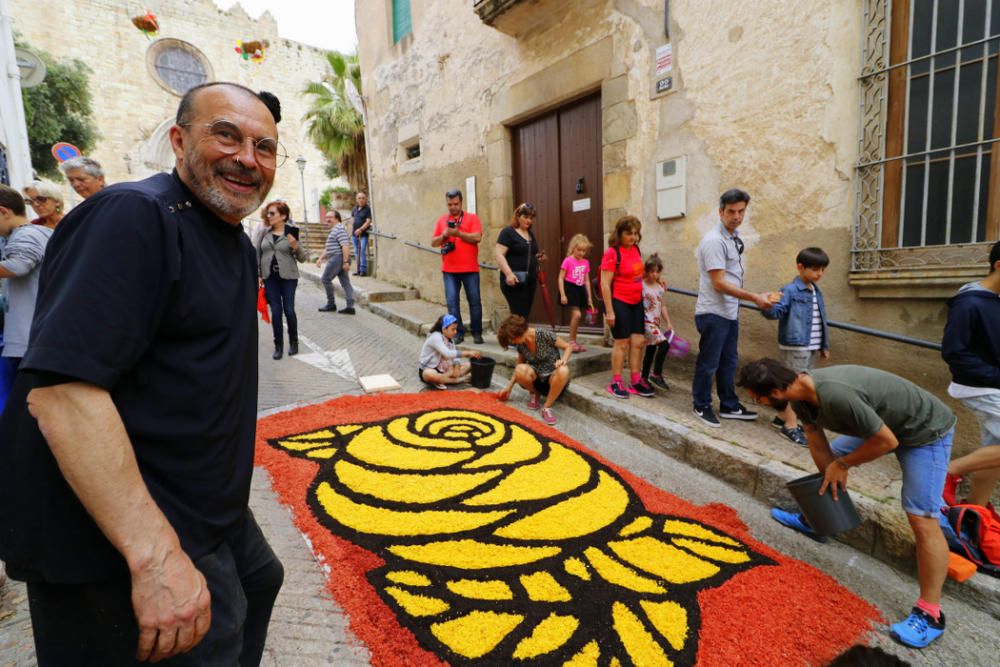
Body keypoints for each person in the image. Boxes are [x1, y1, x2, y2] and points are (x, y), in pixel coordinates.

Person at [0, 81, 286, 665]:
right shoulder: (134, 215)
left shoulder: (229, 238)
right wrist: (154, 558)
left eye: (265, 146)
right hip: (115, 534)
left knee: (259, 582)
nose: (246, 159)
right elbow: (62, 393)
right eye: (225, 135)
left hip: (203, 509)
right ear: (179, 141)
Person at [738, 359, 956, 649]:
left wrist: (842, 465)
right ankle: (819, 521)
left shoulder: (835, 395)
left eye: (757, 398)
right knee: (831, 459)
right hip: (884, 423)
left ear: (775, 393)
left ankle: (931, 614)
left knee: (921, 516)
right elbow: (816, 442)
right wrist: (832, 471)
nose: (757, 402)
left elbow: (887, 442)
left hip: (924, 432)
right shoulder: (801, 396)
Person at [692, 189, 776, 427]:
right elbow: (719, 283)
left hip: (729, 312)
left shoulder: (732, 237)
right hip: (713, 313)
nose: (737, 216)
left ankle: (729, 404)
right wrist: (755, 298)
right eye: (731, 211)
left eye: (741, 211)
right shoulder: (713, 241)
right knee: (709, 362)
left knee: (729, 361)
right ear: (721, 212)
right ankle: (701, 404)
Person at [941, 239, 1000, 507]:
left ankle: (975, 510)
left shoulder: (994, 301)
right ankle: (947, 471)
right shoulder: (968, 302)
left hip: (992, 384)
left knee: (993, 452)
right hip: (979, 386)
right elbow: (954, 352)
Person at [759, 247, 831, 446]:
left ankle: (781, 418)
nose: (820, 274)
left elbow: (821, 319)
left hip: (810, 347)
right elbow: (777, 312)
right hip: (795, 346)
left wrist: (824, 345)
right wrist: (766, 305)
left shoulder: (816, 291)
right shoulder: (790, 290)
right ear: (801, 267)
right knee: (794, 386)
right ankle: (789, 426)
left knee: (801, 384)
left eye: (823, 270)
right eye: (816, 269)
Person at [0, 185, 53, 413]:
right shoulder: (39, 233)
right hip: (33, 340)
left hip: (27, 343)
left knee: (27, 412)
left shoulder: (27, 234)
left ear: (3, 211)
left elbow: (18, 266)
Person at [600, 215, 653, 399]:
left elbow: (638, 275)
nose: (634, 237)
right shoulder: (612, 253)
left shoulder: (636, 249)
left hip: (637, 302)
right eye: (629, 234)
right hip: (619, 301)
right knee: (621, 343)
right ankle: (616, 381)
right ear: (619, 234)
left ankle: (636, 381)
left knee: (638, 343)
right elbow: (605, 284)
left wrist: (655, 281)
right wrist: (610, 311)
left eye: (636, 234)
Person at [496, 314, 572, 426]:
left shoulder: (543, 334)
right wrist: (509, 388)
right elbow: (519, 367)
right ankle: (535, 394)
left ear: (519, 331)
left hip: (552, 380)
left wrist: (563, 360)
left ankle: (546, 407)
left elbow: (568, 346)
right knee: (520, 369)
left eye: (512, 339)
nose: (513, 342)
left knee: (564, 370)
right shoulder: (520, 344)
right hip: (536, 380)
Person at [431, 188, 483, 345]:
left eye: (456, 204)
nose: (453, 207)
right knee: (452, 303)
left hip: (470, 269)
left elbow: (477, 237)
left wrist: (458, 233)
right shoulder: (441, 221)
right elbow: (433, 242)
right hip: (449, 270)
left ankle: (476, 332)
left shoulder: (472, 218)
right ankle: (458, 332)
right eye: (450, 204)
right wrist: (444, 235)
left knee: (474, 301)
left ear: (461, 202)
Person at [258, 200, 307, 360]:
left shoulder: (292, 232)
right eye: (268, 213)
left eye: (272, 213)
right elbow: (258, 254)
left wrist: (295, 246)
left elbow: (303, 258)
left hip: (288, 277)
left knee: (289, 310)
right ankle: (278, 346)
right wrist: (259, 275)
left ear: (283, 216)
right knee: (276, 312)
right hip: (270, 277)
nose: (269, 216)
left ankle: (294, 343)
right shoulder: (263, 233)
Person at [495, 202, 541, 319]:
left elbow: (528, 253)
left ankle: (518, 336)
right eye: (525, 217)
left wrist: (537, 258)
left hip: (529, 280)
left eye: (531, 218)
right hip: (514, 280)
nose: (528, 221)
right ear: (518, 216)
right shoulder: (508, 232)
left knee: (525, 314)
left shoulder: (530, 234)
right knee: (518, 315)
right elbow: (499, 254)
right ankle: (512, 336)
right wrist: (509, 274)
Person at [419, 314, 481, 389]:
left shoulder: (450, 338)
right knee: (428, 374)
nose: (455, 332)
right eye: (453, 329)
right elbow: (447, 353)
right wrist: (467, 353)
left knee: (470, 365)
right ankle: (457, 380)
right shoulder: (435, 337)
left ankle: (442, 380)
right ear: (444, 329)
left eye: (456, 329)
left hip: (445, 370)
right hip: (431, 369)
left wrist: (457, 366)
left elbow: (455, 355)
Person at [640, 254, 674, 392]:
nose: (654, 274)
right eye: (651, 271)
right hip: (646, 322)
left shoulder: (660, 287)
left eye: (657, 271)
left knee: (651, 350)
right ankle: (656, 374)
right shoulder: (641, 284)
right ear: (646, 271)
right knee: (664, 345)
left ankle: (644, 378)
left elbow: (662, 305)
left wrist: (669, 322)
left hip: (656, 322)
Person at [558, 233, 593, 353]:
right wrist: (563, 294)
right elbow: (560, 278)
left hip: (580, 289)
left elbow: (587, 280)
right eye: (579, 250)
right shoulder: (568, 261)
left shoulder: (586, 262)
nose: (582, 253)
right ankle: (571, 342)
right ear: (573, 248)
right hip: (570, 289)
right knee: (577, 315)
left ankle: (573, 341)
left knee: (577, 317)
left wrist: (589, 298)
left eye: (584, 251)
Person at [316, 209, 356, 315]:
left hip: (337, 258)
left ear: (337, 219)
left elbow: (345, 246)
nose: (327, 219)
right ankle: (350, 306)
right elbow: (329, 248)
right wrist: (320, 258)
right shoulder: (335, 230)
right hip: (338, 258)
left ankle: (331, 304)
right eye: (326, 217)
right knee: (345, 282)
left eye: (330, 217)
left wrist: (346, 262)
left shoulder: (339, 229)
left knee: (325, 279)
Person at [351, 191, 372, 276]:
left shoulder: (367, 209)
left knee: (362, 251)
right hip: (354, 234)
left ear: (366, 199)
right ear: (356, 199)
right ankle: (358, 270)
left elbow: (368, 221)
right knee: (356, 252)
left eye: (363, 198)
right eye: (359, 198)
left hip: (363, 234)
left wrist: (360, 229)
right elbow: (353, 220)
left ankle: (363, 270)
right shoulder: (355, 208)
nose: (361, 200)